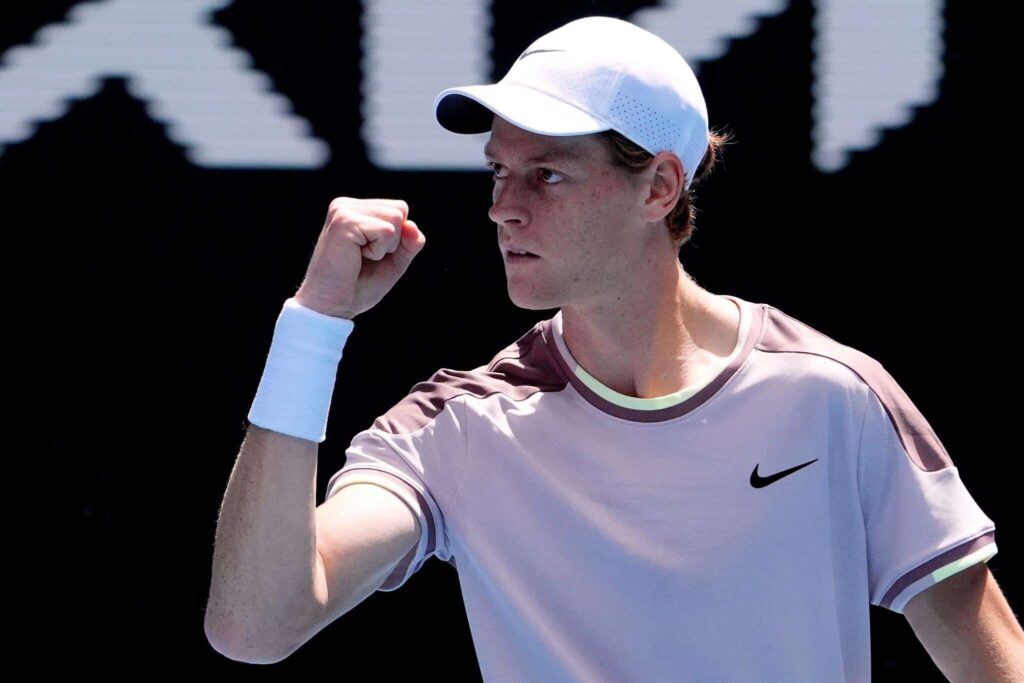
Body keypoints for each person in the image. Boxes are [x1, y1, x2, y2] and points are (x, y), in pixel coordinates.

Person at [204, 16, 1024, 680]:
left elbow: (995, 663)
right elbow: (255, 624)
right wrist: (313, 324)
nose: (502, 208)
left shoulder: (835, 395)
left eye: (546, 174)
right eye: (497, 171)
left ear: (659, 187)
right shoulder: (456, 427)